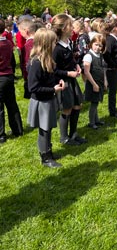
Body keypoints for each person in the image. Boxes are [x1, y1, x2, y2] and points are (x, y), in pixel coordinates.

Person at [27, 28, 65, 168]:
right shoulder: (36, 63)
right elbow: (33, 87)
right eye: (54, 42)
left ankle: (48, 151)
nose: (56, 44)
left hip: (48, 99)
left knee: (48, 128)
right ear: (46, 43)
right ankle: (45, 157)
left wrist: (58, 81)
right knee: (44, 129)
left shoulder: (47, 59)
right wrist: (52, 89)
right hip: (41, 101)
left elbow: (51, 76)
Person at [52, 13, 87, 145]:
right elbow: (54, 70)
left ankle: (74, 134)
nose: (72, 27)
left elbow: (71, 59)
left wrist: (76, 65)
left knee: (78, 105)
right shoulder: (56, 48)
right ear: (62, 28)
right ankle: (64, 137)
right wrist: (68, 73)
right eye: (70, 25)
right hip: (63, 81)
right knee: (67, 108)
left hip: (71, 79)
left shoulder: (69, 42)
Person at [0, 19, 23, 143]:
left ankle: (1, 135)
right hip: (8, 75)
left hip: (1, 76)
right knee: (11, 104)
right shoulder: (8, 43)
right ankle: (17, 129)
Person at [83, 34, 106, 129]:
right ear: (91, 44)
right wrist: (94, 84)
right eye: (96, 44)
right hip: (93, 83)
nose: (98, 47)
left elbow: (102, 68)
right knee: (94, 103)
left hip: (99, 82)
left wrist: (105, 81)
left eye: (100, 45)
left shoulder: (100, 55)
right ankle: (91, 122)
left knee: (96, 102)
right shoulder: (89, 56)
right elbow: (87, 72)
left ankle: (96, 120)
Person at [102, 20, 117, 118]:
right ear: (115, 28)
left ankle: (113, 109)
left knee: (113, 91)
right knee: (112, 91)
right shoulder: (110, 39)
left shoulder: (113, 38)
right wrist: (114, 65)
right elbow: (106, 53)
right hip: (111, 70)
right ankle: (112, 111)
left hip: (114, 69)